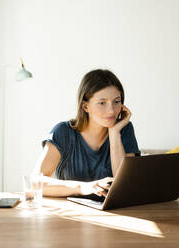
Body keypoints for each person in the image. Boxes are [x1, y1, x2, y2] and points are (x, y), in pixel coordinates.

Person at [35, 69, 139, 197]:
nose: (111, 110)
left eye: (116, 101)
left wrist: (114, 133)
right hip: (71, 213)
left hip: (112, 213)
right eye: (102, 103)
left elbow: (125, 186)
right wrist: (84, 187)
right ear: (85, 107)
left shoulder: (124, 129)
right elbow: (36, 183)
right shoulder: (62, 132)